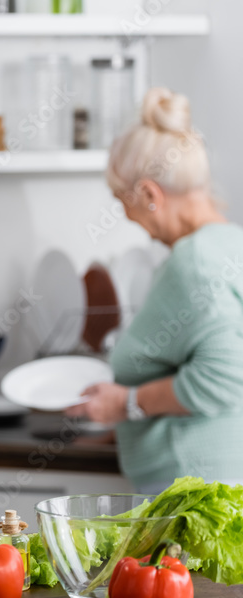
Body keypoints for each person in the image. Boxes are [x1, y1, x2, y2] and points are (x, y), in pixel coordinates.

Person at [67, 87, 243, 493]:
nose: (126, 217)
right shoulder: (229, 244)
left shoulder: (194, 261)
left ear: (149, 195)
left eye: (120, 200)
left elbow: (226, 375)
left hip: (192, 490)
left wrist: (125, 403)